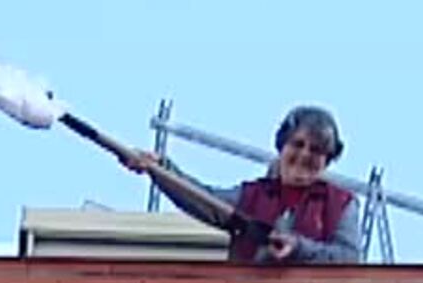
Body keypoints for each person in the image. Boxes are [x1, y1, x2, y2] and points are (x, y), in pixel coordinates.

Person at [124, 106, 364, 265]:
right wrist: (160, 169)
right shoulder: (253, 196)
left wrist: (298, 248)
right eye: (298, 144)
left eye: (316, 150)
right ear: (281, 147)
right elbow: (203, 200)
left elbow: (348, 257)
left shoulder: (341, 203)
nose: (304, 155)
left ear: (327, 159)